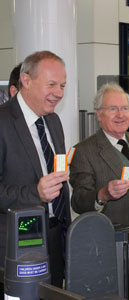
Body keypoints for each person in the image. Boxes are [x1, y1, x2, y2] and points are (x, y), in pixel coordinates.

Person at [0, 51, 71, 288]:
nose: (59, 93)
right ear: (26, 81)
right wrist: (35, 193)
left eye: (62, 85)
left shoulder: (53, 121)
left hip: (56, 237)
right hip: (19, 242)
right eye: (51, 84)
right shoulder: (2, 121)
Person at [69, 82, 129, 227]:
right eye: (113, 109)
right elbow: (79, 202)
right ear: (99, 114)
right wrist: (103, 195)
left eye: (124, 108)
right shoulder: (83, 152)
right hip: (109, 238)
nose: (120, 115)